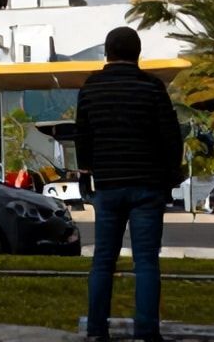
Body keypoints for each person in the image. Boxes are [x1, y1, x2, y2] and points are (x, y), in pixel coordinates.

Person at [76, 27, 182, 342]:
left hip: (108, 185)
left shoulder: (91, 88)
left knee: (103, 259)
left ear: (107, 53)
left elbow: (83, 134)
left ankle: (97, 331)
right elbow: (170, 138)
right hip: (148, 185)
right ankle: (146, 332)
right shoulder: (152, 88)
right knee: (146, 260)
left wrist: (86, 173)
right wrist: (170, 176)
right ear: (137, 54)